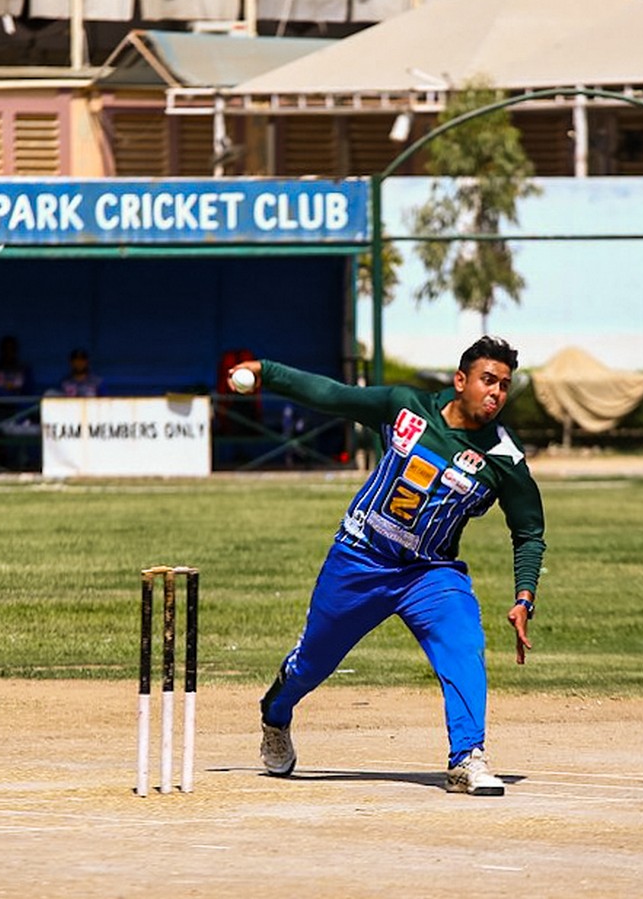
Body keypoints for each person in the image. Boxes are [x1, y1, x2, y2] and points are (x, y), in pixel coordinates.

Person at [232, 336, 545, 796]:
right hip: (359, 559)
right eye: (487, 380)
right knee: (312, 664)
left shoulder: (504, 458)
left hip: (430, 573)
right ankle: (275, 716)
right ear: (461, 381)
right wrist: (268, 371)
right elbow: (333, 396)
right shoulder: (406, 408)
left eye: (504, 385)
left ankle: (467, 757)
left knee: (463, 645)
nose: (496, 392)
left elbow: (529, 532)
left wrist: (524, 597)